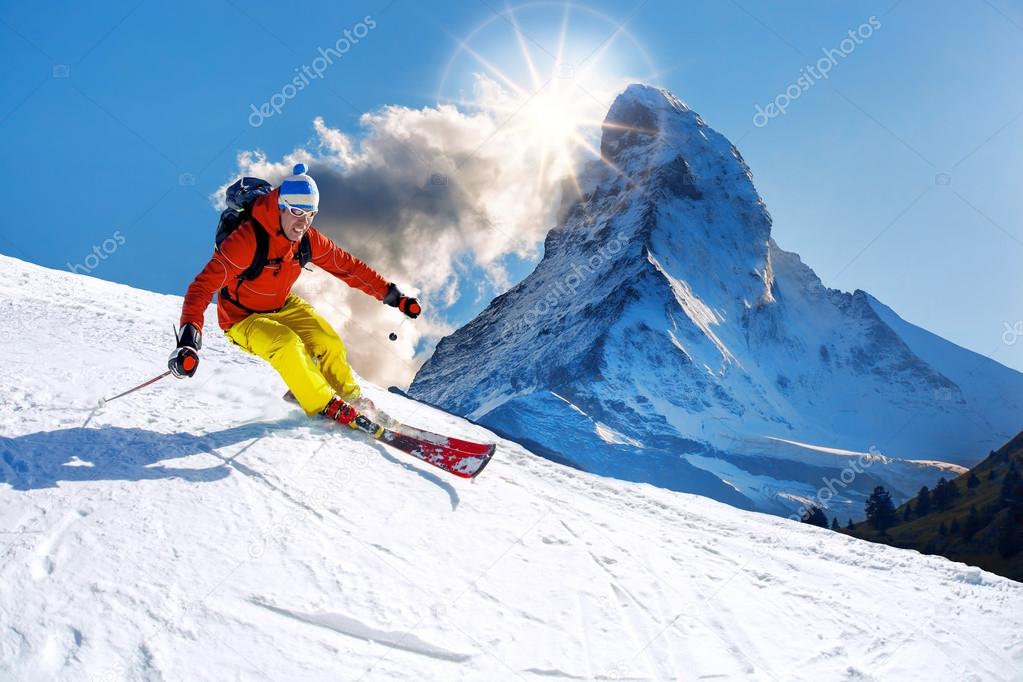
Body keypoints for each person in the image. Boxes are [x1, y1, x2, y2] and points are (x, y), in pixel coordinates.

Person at [168, 163, 420, 425]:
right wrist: (188, 340)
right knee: (286, 343)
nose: (303, 223)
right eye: (297, 212)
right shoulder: (246, 241)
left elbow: (349, 268)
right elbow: (201, 287)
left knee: (327, 341)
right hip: (242, 318)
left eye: (310, 214)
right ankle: (324, 405)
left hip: (283, 305)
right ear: (280, 207)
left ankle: (352, 399)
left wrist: (394, 296)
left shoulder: (307, 239)